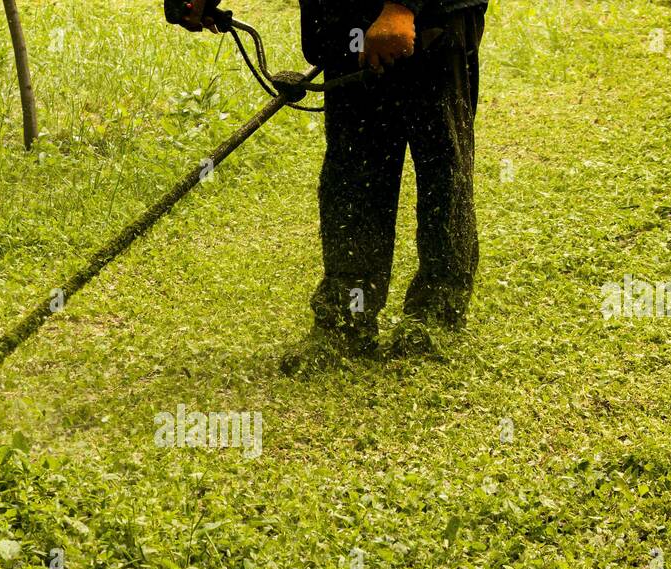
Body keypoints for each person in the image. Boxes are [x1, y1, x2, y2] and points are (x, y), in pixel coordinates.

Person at [175, 0, 488, 371]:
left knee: (442, 174)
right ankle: (347, 320)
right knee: (354, 177)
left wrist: (401, 7)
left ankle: (437, 319)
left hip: (433, 22)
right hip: (349, 25)